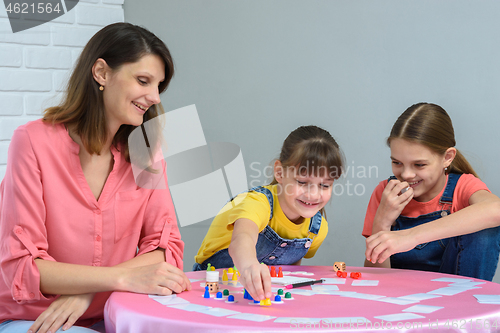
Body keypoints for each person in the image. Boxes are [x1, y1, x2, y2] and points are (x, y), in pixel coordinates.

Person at [0, 23, 191, 333]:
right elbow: (25, 266)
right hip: (34, 320)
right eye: (143, 80)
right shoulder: (32, 142)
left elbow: (165, 251)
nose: (155, 97)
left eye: (159, 86)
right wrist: (120, 278)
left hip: (116, 314)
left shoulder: (146, 154)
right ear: (101, 73)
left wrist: (87, 294)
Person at [194, 125, 344, 300]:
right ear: (279, 173)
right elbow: (242, 239)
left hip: (263, 295)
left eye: (324, 185)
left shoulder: (317, 230)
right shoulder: (257, 203)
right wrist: (250, 265)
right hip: (212, 288)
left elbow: (288, 269)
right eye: (302, 182)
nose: (313, 194)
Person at [363, 102, 500, 281]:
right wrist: (381, 223)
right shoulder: (386, 193)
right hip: (400, 299)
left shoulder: (462, 187)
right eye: (397, 162)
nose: (406, 174)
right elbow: (374, 280)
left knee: (486, 229)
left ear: (447, 158)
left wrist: (411, 236)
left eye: (419, 164)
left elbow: (495, 209)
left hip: (454, 297)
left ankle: (466, 307)